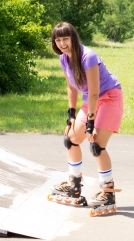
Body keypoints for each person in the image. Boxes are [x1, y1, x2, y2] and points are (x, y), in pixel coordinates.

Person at [50, 22, 123, 216]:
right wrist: (71, 115)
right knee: (71, 138)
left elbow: (94, 93)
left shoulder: (88, 56)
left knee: (96, 144)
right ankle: (74, 185)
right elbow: (72, 87)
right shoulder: (64, 59)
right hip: (90, 100)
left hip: (108, 97)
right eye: (58, 40)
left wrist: (90, 123)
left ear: (73, 37)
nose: (62, 43)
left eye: (65, 38)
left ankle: (108, 192)